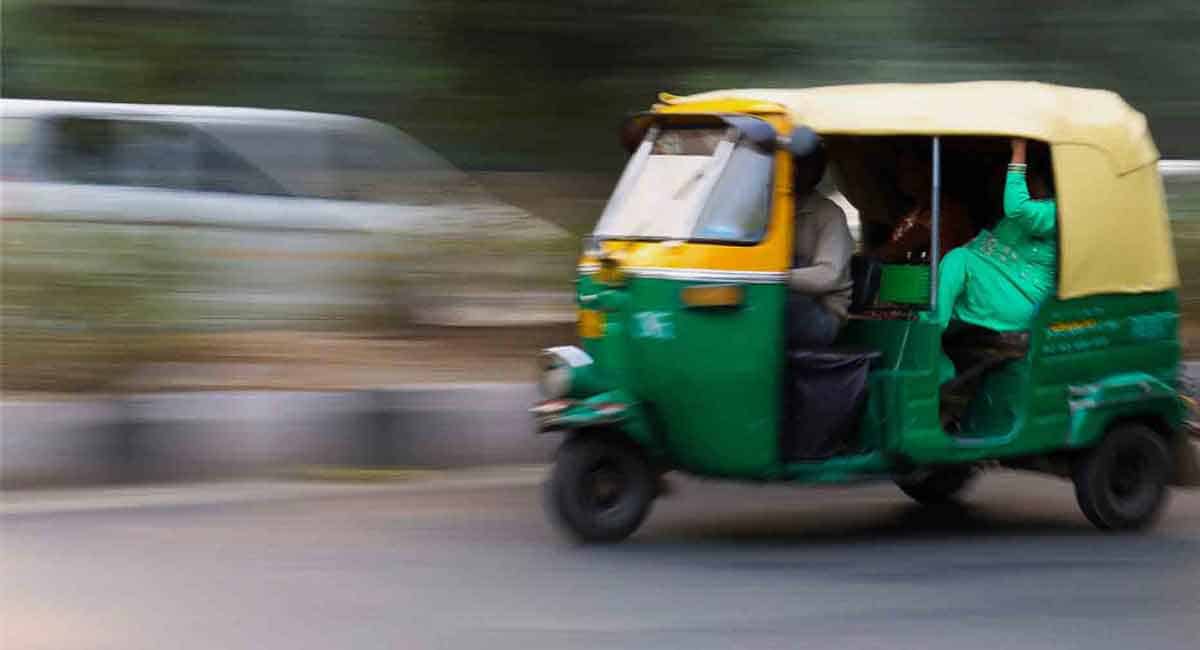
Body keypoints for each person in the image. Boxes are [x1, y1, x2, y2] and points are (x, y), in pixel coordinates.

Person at [932, 138, 1057, 334]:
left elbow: (1016, 208)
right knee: (947, 295)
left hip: (1019, 297)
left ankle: (931, 336)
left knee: (958, 259)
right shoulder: (1033, 212)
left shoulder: (1054, 212)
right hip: (1000, 292)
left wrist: (1018, 150)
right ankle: (934, 335)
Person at [788, 145, 854, 347]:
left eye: (800, 165)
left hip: (822, 314)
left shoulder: (829, 214)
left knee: (768, 307)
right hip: (789, 301)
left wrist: (773, 277)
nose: (793, 170)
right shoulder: (770, 209)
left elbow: (827, 277)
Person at [876, 147, 974, 264]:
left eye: (908, 170)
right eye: (900, 170)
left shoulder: (944, 210)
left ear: (927, 171)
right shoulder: (915, 211)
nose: (901, 176)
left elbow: (899, 247)